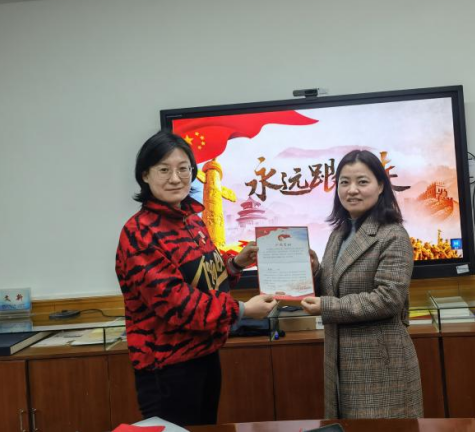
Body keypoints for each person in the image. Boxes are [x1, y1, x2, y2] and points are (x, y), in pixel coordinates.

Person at [116, 130, 276, 426]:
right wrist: (242, 310)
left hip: (205, 356)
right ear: (145, 175)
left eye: (183, 168)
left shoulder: (192, 221)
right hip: (167, 369)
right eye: (164, 170)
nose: (175, 178)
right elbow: (178, 304)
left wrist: (235, 264)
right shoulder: (139, 233)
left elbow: (205, 279)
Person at [301, 149, 423, 419]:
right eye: (344, 182)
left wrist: (326, 307)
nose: (352, 190)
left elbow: (388, 299)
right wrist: (315, 271)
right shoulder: (339, 234)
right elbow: (335, 287)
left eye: (362, 182)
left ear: (381, 186)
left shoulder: (393, 235)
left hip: (380, 365)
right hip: (339, 361)